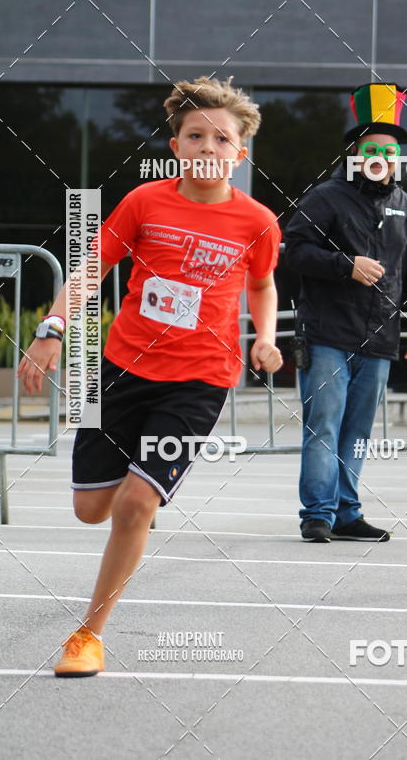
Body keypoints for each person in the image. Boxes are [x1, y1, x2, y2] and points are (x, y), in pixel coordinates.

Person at [18, 76, 283, 675]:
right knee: (91, 510)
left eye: (222, 139)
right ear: (175, 146)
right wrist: (51, 330)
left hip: (201, 379)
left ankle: (88, 635)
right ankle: (143, 491)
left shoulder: (257, 221)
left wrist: (264, 339)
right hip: (122, 371)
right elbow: (90, 270)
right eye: (196, 136)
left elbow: (263, 285)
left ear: (239, 154)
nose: (208, 147)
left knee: (135, 504)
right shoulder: (144, 203)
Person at [284, 82, 407, 543]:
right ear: (355, 152)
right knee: (324, 426)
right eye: (372, 149)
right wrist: (344, 265)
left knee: (357, 432)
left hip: (380, 339)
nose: (382, 157)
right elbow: (293, 251)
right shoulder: (325, 197)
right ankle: (318, 513)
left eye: (389, 151)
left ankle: (347, 514)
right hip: (326, 334)